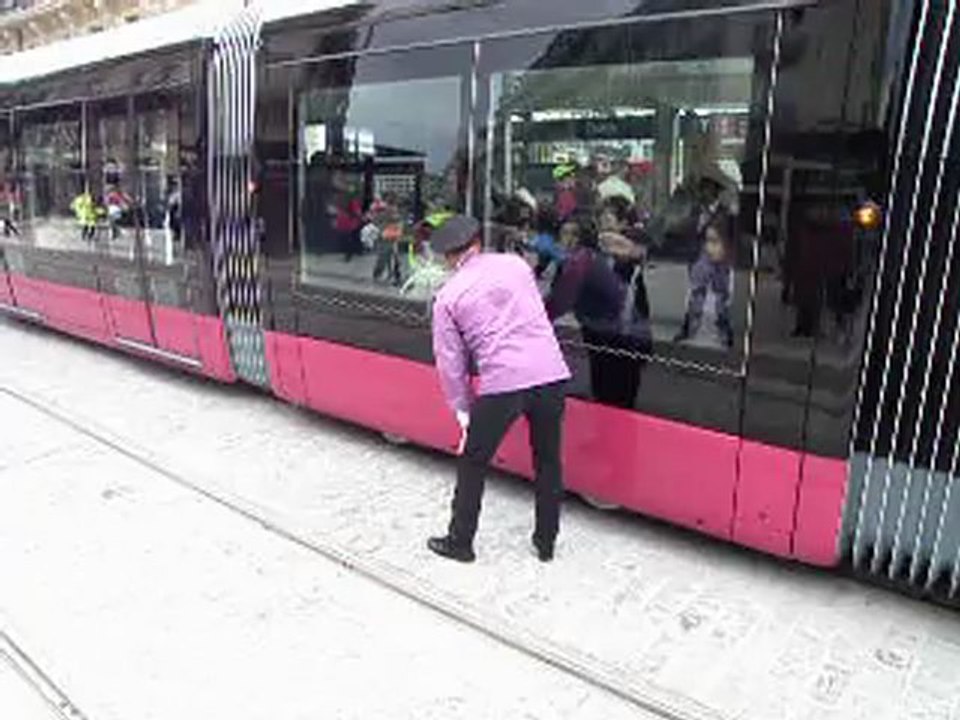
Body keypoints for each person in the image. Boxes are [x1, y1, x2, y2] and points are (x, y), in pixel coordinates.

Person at [428, 215, 571, 564]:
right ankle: (546, 542)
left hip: (504, 382)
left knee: (474, 460)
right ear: (477, 243)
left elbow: (451, 363)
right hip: (551, 372)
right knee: (548, 460)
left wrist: (462, 409)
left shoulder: (447, 296)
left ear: (449, 256)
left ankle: (460, 541)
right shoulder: (516, 265)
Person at [547, 214, 651, 410]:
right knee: (605, 395)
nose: (568, 240)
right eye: (564, 234)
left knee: (615, 399)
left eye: (575, 235)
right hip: (601, 335)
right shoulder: (574, 262)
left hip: (621, 340)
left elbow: (557, 304)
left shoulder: (584, 262)